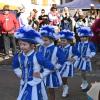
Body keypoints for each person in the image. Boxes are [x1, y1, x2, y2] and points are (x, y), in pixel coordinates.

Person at [12, 26, 54, 100]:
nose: (22, 46)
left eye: (24, 44)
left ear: (32, 46)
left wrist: (42, 74)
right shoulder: (19, 55)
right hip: (24, 83)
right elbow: (15, 66)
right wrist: (20, 74)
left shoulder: (37, 56)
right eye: (20, 44)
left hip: (35, 83)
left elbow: (50, 66)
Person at [39, 25, 65, 100]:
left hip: (51, 72)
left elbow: (62, 59)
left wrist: (56, 67)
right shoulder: (41, 48)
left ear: (52, 40)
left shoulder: (56, 49)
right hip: (41, 71)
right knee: (41, 89)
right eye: (42, 40)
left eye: (45, 40)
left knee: (51, 90)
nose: (43, 42)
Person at [59, 30, 80, 97]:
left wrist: (73, 58)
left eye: (64, 41)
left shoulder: (72, 48)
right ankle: (65, 87)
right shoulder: (59, 47)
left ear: (69, 41)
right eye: (61, 40)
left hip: (67, 65)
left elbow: (78, 54)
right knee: (61, 77)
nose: (62, 42)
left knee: (63, 77)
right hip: (60, 65)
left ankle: (65, 89)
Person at [74, 26, 96, 91]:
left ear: (87, 37)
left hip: (86, 60)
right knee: (81, 72)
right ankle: (83, 82)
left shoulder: (90, 44)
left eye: (84, 37)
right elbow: (76, 51)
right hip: (79, 60)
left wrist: (89, 56)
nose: (82, 38)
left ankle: (85, 83)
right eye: (81, 37)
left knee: (83, 72)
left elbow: (93, 51)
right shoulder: (78, 44)